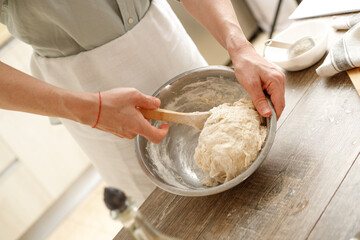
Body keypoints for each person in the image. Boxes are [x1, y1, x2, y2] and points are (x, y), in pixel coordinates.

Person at [0, 0, 285, 202]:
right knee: (169, 210)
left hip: (161, 36)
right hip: (86, 87)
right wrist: (90, 110)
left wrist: (239, 45)